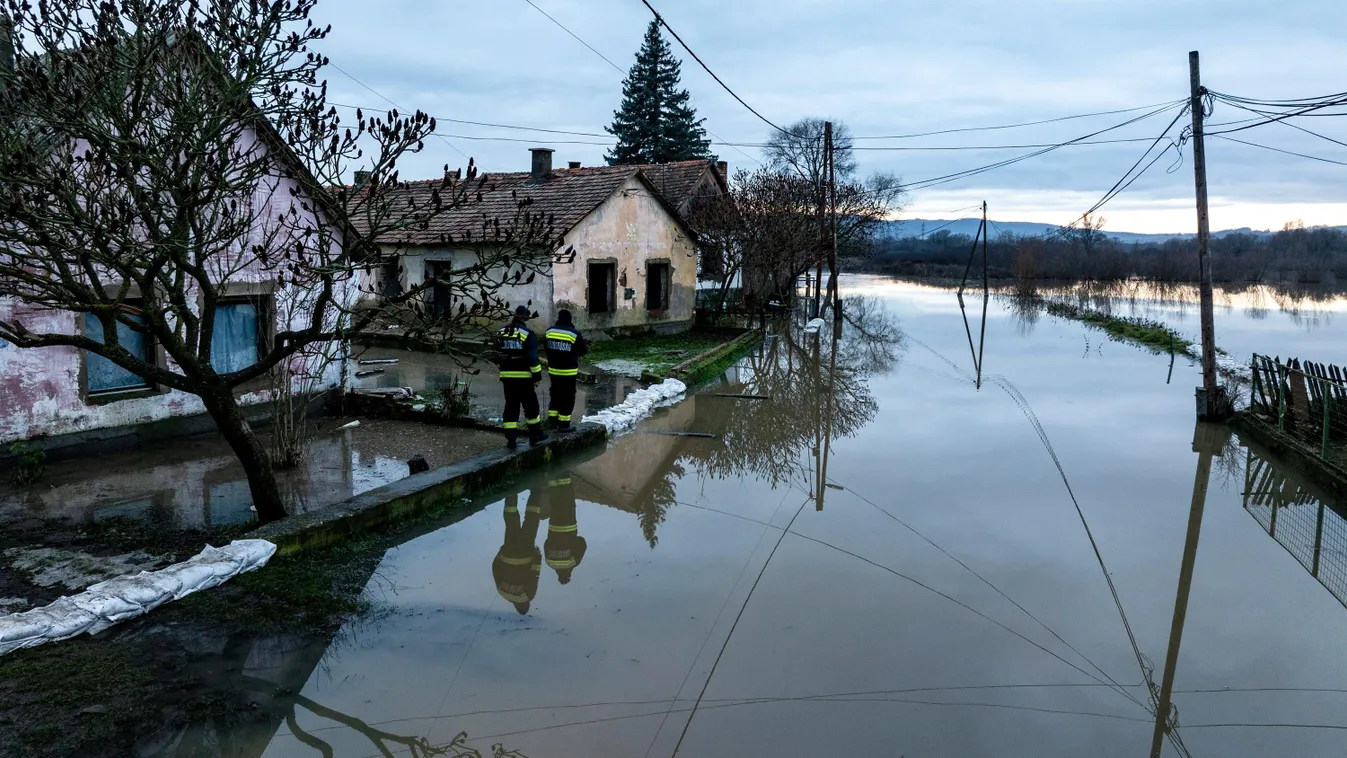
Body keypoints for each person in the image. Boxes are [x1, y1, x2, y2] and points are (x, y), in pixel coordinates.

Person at [495, 305, 547, 450]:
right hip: (524, 378)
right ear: (525, 317)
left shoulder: (501, 332)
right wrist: (537, 376)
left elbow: (494, 355)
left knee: (511, 407)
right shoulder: (528, 334)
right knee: (531, 407)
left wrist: (503, 369)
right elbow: (532, 358)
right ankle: (535, 435)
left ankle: (511, 440)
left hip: (507, 378)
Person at [492, 491, 544, 615]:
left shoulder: (527, 596)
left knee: (531, 520)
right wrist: (500, 554)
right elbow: (495, 569)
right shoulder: (503, 593)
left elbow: (534, 574)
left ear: (525, 605)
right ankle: (511, 495)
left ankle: (536, 490)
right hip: (508, 551)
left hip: (525, 553)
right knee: (511, 523)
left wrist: (537, 556)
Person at [543, 309, 589, 432]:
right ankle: (564, 425)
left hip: (553, 370)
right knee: (568, 397)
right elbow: (583, 351)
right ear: (569, 319)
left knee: (555, 394)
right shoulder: (573, 333)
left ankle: (552, 422)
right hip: (568, 371)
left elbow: (545, 348)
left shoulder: (549, 331)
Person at [544, 474, 587, 585]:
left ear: (568, 574)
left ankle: (564, 472)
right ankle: (553, 475)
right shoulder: (549, 562)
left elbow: (582, 543)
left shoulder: (572, 562)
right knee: (555, 503)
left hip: (569, 525)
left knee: (567, 498)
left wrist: (573, 541)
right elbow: (546, 544)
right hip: (553, 525)